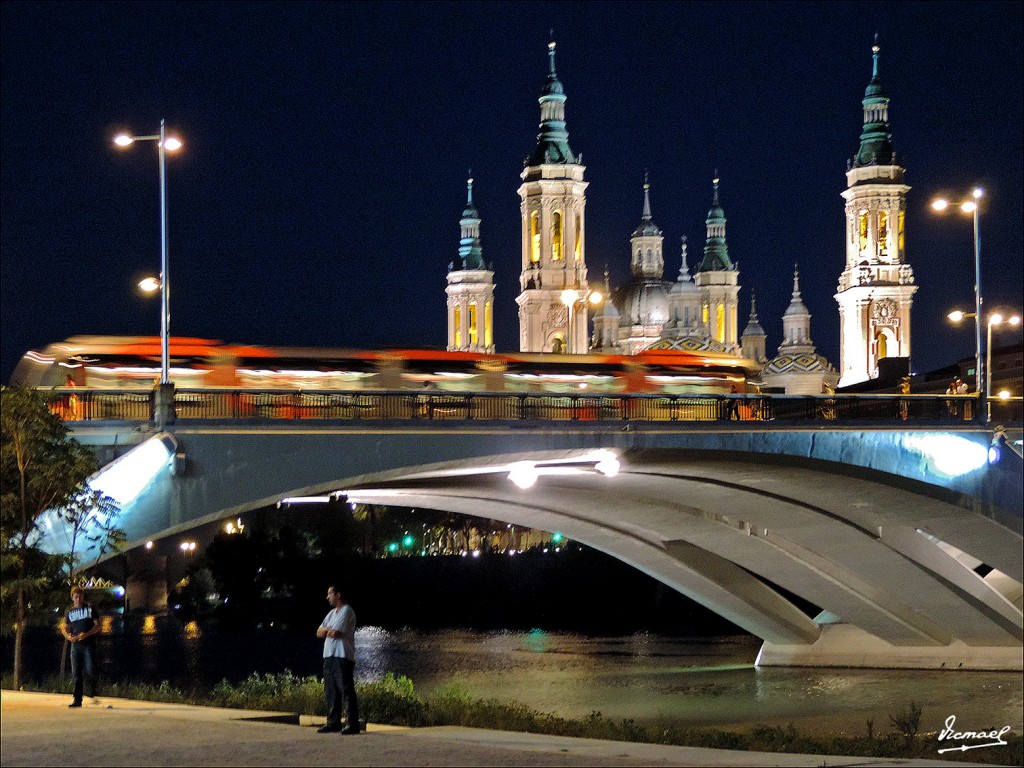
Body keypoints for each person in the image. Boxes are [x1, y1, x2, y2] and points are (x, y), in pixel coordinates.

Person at [316, 585, 360, 734]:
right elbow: (318, 632)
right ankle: (333, 722)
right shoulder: (331, 614)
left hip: (342, 656)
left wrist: (327, 630)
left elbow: (335, 633)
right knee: (331, 691)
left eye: (330, 594)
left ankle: (352, 723)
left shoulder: (346, 611)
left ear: (338, 595)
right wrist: (328, 629)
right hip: (329, 656)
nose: (327, 597)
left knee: (346, 690)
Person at [60, 586, 100, 708]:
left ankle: (92, 689)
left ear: (83, 597)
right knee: (76, 673)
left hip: (88, 644)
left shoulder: (90, 608)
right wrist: (69, 637)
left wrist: (87, 634)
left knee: (90, 669)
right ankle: (77, 699)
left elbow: (98, 625)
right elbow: (65, 628)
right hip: (75, 646)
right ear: (72, 598)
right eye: (76, 597)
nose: (78, 599)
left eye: (80, 597)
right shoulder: (69, 612)